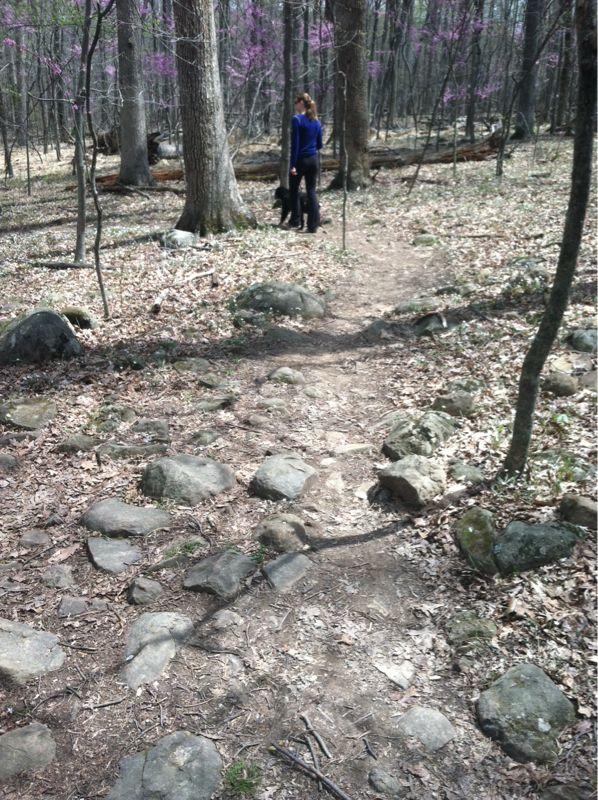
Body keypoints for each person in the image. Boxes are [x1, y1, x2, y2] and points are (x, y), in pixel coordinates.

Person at [289, 93, 322, 234]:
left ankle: (295, 220)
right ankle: (313, 225)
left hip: (300, 160)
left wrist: (293, 165)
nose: (295, 104)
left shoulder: (297, 120)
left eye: (296, 101)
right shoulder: (316, 121)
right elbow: (320, 144)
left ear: (301, 103)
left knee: (294, 190)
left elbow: (295, 145)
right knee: (311, 191)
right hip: (314, 159)